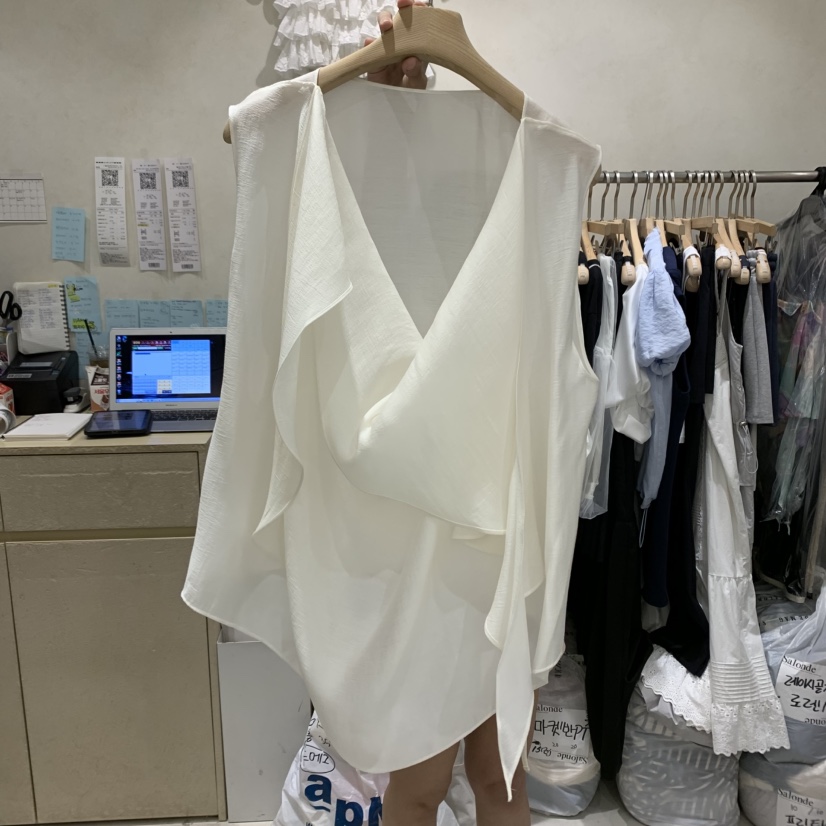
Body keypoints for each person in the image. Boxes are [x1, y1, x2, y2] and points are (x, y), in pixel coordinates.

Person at [359, 5, 536, 824]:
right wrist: (392, 102)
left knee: (502, 774)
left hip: (499, 543)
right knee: (422, 781)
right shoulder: (397, 261)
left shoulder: (522, 260)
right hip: (417, 556)